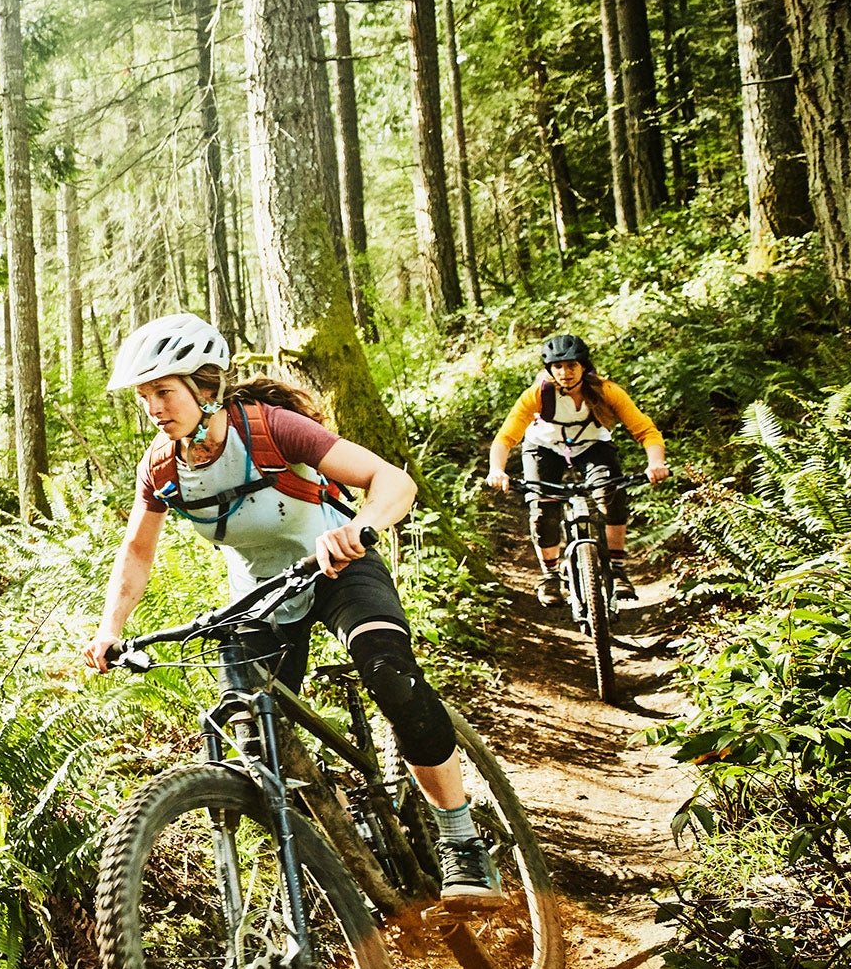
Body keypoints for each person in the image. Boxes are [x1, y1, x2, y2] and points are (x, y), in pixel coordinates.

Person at [82, 313, 504, 905]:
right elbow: (136, 551)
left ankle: (461, 840)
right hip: (259, 595)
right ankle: (328, 859)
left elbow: (392, 482)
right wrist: (110, 630)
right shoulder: (161, 466)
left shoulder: (271, 429)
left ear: (206, 388)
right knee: (259, 739)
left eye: (163, 391)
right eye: (144, 396)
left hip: (338, 566)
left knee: (389, 671)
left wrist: (360, 527)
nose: (153, 407)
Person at [484, 332, 669, 605]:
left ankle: (617, 570)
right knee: (543, 509)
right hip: (544, 448)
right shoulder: (538, 393)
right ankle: (550, 577)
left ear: (583, 366)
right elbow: (506, 437)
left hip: (593, 446)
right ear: (549, 369)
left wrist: (656, 463)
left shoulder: (606, 391)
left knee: (611, 494)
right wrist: (496, 469)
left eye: (572, 366)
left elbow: (645, 431)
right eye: (558, 367)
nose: (565, 372)